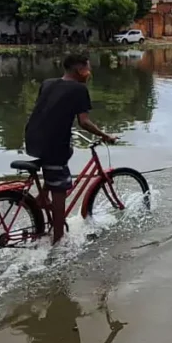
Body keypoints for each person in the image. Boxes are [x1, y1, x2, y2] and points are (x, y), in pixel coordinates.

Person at [24, 54, 116, 244]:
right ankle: (58, 241)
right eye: (88, 69)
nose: (89, 73)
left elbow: (49, 111)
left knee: (67, 154)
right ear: (79, 70)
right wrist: (104, 135)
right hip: (53, 143)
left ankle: (42, 196)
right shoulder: (78, 89)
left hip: (32, 138)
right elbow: (84, 122)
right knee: (60, 188)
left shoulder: (48, 83)